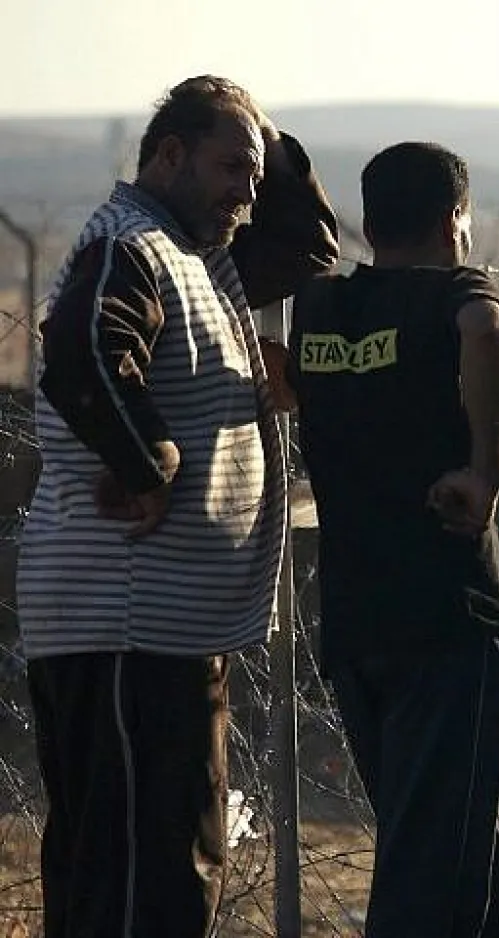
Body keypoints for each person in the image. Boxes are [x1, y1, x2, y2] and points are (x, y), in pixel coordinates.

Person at [19, 75, 338, 938]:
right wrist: (151, 462)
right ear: (167, 157)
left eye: (256, 176)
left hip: (167, 626)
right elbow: (86, 350)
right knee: (141, 873)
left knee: (148, 864)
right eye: (232, 168)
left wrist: (260, 131)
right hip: (127, 622)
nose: (248, 192)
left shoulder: (202, 255)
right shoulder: (134, 248)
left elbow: (311, 247)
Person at [284, 141, 499, 937]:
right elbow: (487, 327)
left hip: (357, 620)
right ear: (456, 218)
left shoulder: (320, 305)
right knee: (431, 869)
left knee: (458, 849)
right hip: (446, 614)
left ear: (369, 219)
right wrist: (486, 472)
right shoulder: (454, 294)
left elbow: (312, 243)